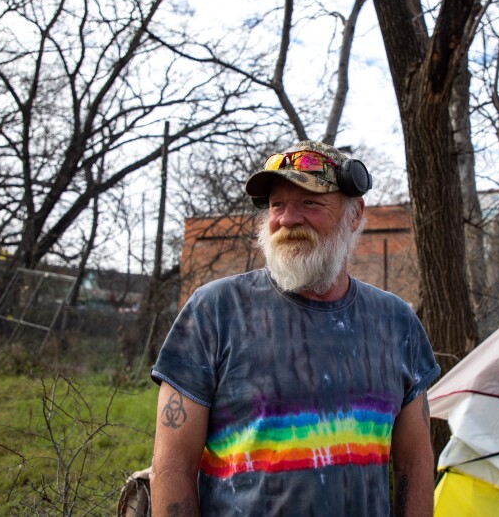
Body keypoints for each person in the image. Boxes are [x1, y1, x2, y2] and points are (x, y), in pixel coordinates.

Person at [150, 140, 440, 516]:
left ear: (354, 215)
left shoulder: (396, 322)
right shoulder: (215, 311)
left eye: (310, 203)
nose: (288, 219)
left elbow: (415, 464)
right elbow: (172, 466)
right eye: (277, 205)